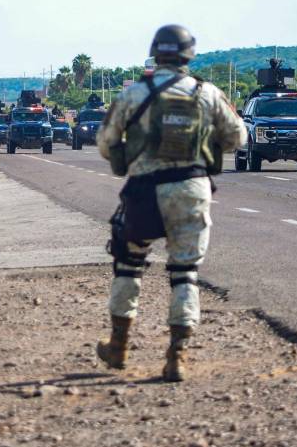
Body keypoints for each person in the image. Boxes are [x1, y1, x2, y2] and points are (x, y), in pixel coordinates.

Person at [95, 24, 246, 382]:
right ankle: (177, 356)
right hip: (192, 188)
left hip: (145, 189)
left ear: (155, 53)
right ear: (188, 55)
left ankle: (118, 346)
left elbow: (105, 142)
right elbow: (238, 137)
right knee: (185, 273)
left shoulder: (135, 94)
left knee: (129, 264)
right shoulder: (207, 93)